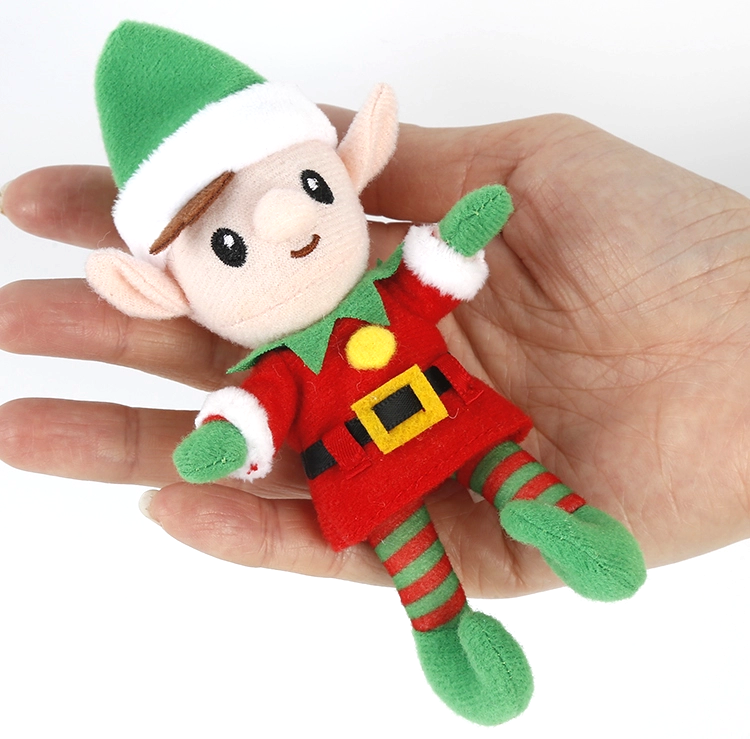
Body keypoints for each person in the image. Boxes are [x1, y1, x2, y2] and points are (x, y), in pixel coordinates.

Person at [0, 109, 748, 601]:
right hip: (367, 468)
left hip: (448, 417)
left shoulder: (388, 296)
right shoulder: (282, 368)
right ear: (164, 292)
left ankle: (552, 518)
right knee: (406, 537)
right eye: (226, 245)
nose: (287, 218)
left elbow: (431, 278)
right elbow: (259, 408)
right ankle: (447, 626)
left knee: (492, 459)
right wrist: (228, 435)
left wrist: (456, 239)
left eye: (309, 184)